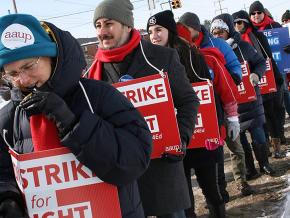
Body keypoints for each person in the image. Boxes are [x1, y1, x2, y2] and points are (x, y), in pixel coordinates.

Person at [0, 13, 153, 218]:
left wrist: (73, 123)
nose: (24, 79)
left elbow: (135, 161)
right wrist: (8, 198)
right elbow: (4, 174)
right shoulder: (8, 118)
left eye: (29, 66)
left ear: (51, 57)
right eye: (13, 73)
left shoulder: (99, 96)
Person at [89, 1, 200, 217]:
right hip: (122, 178)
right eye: (98, 25)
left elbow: (188, 101)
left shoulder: (161, 57)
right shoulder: (92, 73)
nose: (102, 32)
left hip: (163, 171)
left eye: (109, 23)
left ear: (127, 25)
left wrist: (180, 137)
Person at [147, 10, 241, 218]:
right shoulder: (148, 63)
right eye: (150, 31)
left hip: (202, 136)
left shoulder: (195, 55)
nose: (154, 36)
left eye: (159, 30)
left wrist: (231, 117)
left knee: (211, 189)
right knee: (184, 197)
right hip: (175, 141)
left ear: (170, 32)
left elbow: (222, 88)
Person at [178, 12, 255, 199]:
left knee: (234, 145)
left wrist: (231, 81)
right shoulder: (179, 49)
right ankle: (220, 192)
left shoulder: (216, 45)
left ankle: (242, 180)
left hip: (222, 104)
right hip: (202, 112)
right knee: (214, 153)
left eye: (186, 30)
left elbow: (234, 66)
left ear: (195, 28)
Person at [211, 13, 276, 180]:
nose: (218, 36)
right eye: (214, 33)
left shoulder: (243, 46)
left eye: (221, 32)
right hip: (232, 106)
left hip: (252, 101)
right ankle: (250, 169)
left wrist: (256, 74)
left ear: (229, 31)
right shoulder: (211, 53)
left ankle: (264, 164)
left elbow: (260, 62)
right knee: (240, 141)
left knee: (258, 135)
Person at [248, 1, 287, 156]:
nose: (256, 16)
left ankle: (279, 135)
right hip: (259, 76)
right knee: (264, 111)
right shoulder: (249, 33)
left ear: (263, 13)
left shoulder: (275, 25)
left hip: (279, 72)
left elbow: (284, 44)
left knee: (279, 105)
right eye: (253, 13)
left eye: (259, 12)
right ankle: (270, 140)